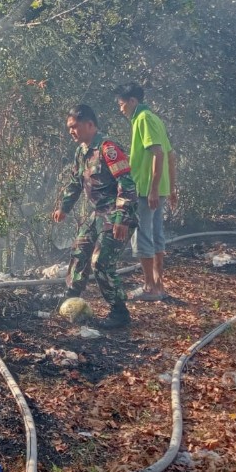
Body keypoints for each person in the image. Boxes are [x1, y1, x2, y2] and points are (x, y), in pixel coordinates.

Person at [52, 104, 138, 329]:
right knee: (79, 251)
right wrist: (64, 208)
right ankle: (70, 299)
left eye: (74, 126)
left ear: (90, 125)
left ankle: (119, 312)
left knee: (101, 263)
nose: (71, 131)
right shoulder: (81, 151)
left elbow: (127, 184)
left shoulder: (108, 149)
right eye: (69, 127)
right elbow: (75, 182)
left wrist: (122, 218)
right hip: (97, 213)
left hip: (116, 213)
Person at [114, 82, 177, 301]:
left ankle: (150, 287)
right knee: (157, 234)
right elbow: (171, 155)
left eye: (122, 104)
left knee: (143, 236)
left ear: (132, 101)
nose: (121, 109)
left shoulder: (143, 119)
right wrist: (171, 188)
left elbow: (158, 154)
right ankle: (158, 285)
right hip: (158, 188)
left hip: (146, 190)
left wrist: (152, 189)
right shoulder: (154, 118)